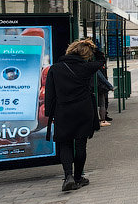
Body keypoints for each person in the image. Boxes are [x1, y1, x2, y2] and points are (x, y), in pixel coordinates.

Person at [44, 38, 105, 191]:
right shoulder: (86, 67)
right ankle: (78, 177)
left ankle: (68, 176)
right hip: (83, 111)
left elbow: (50, 94)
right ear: (86, 54)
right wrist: (92, 46)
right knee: (80, 144)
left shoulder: (55, 68)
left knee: (64, 144)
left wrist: (49, 114)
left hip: (63, 111)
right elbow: (101, 59)